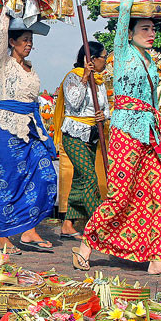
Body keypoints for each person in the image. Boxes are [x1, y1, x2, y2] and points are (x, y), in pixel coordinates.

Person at [75, 0, 161, 278]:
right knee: (120, 195)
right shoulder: (122, 51)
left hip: (151, 130)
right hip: (126, 130)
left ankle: (156, 258)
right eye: (145, 29)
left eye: (153, 28)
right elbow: (124, 14)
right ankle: (87, 243)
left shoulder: (152, 60)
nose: (151, 33)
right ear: (130, 33)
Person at [0, 12, 58, 252]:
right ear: (12, 42)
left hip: (31, 128)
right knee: (11, 181)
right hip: (8, 128)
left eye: (31, 40)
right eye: (24, 39)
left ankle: (29, 230)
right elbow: (1, 33)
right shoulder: (3, 62)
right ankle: (4, 237)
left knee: (46, 176)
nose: (29, 44)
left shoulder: (31, 68)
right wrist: (8, 7)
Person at [54, 41, 110, 239]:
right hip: (75, 133)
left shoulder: (100, 81)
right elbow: (75, 103)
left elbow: (105, 106)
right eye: (104, 57)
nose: (106, 60)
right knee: (89, 178)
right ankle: (100, 224)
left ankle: (68, 224)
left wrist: (103, 116)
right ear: (92, 59)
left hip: (93, 133)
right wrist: (85, 78)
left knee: (79, 179)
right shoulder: (73, 77)